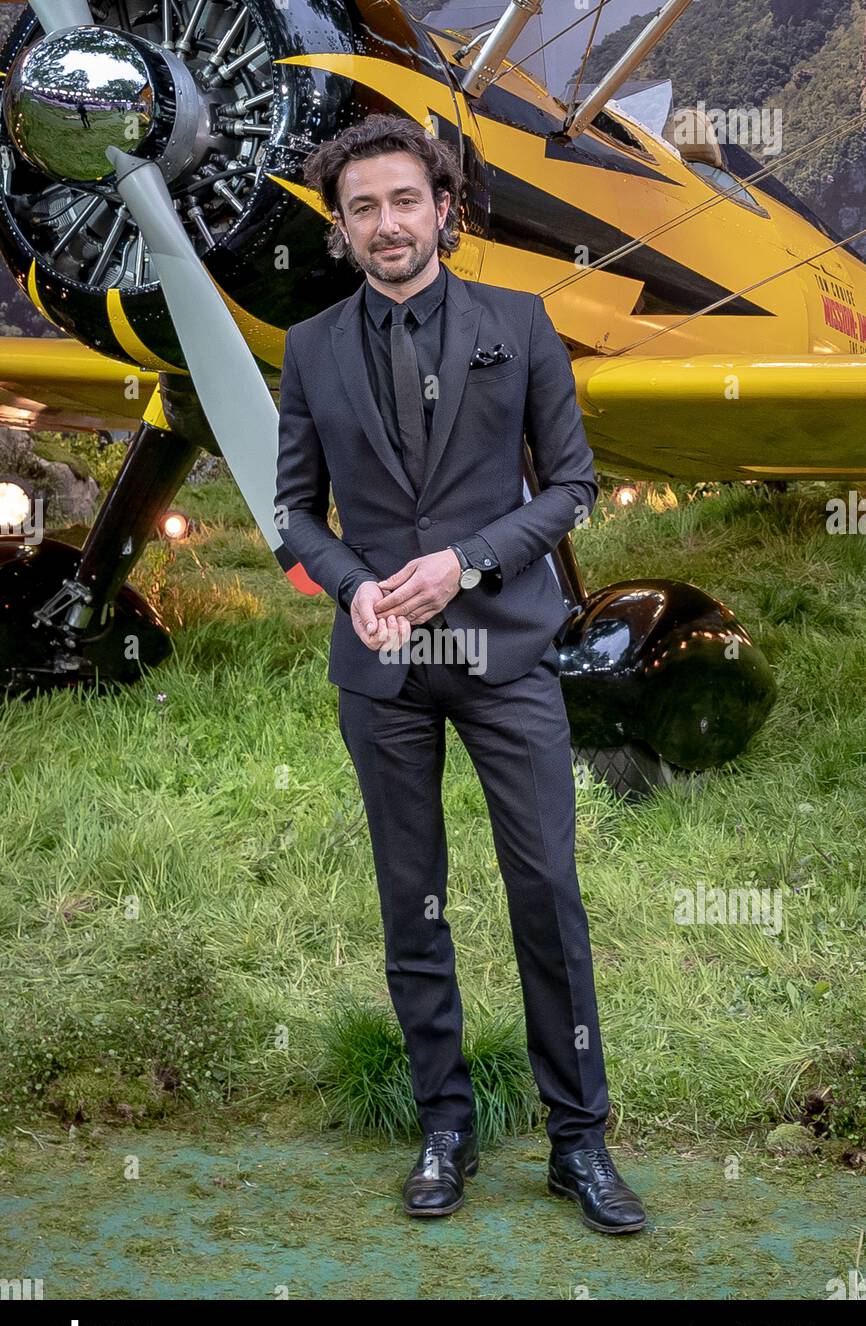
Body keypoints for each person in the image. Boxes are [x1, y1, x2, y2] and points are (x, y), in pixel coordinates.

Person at [273, 112, 646, 1233]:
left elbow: (568, 488)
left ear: (442, 207)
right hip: (381, 666)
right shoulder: (310, 348)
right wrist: (354, 586)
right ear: (342, 230)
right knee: (411, 902)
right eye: (361, 209)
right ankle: (445, 1127)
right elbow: (292, 509)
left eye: (402, 200)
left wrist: (464, 561)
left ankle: (578, 1140)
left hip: (502, 653)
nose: (385, 224)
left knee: (544, 893)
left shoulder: (519, 325)